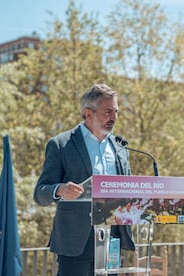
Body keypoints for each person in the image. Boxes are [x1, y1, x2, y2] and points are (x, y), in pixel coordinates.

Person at [33, 84, 135, 275]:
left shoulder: (120, 148)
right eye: (108, 112)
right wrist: (60, 189)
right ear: (88, 114)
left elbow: (128, 190)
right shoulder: (61, 144)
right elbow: (40, 193)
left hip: (112, 237)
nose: (114, 118)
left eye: (116, 112)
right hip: (75, 241)